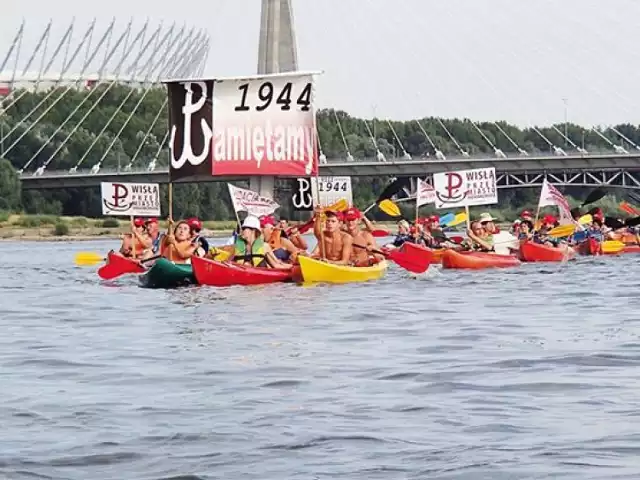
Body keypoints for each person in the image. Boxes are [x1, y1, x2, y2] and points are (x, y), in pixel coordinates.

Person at [223, 216, 293, 269]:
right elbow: (227, 262)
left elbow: (276, 265)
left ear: (253, 230)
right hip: (244, 285)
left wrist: (292, 267)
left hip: (261, 287)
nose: (242, 231)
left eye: (244, 228)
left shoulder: (264, 246)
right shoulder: (236, 246)